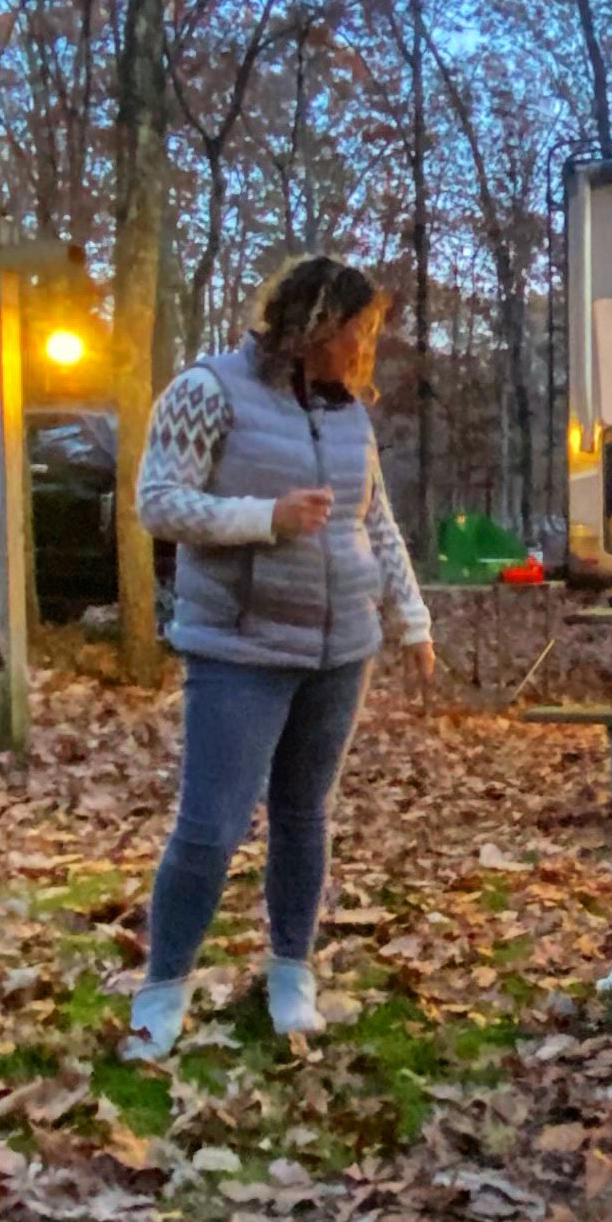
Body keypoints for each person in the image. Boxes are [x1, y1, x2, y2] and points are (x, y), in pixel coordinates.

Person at [126, 256, 434, 1058]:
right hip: (240, 647)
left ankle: (291, 972)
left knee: (305, 817)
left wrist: (412, 617)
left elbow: (377, 521)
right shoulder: (207, 391)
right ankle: (162, 991)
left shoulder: (349, 414)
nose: (367, 344)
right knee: (211, 827)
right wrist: (266, 516)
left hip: (342, 649)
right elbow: (158, 503)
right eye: (357, 329)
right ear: (314, 327)